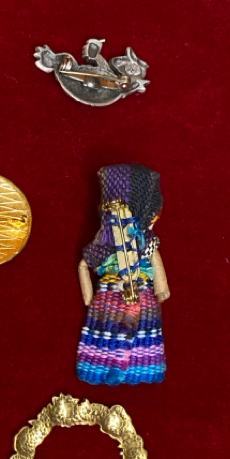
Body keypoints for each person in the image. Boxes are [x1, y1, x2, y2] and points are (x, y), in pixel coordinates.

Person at [77, 164, 169, 386]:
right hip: (109, 297)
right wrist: (88, 297)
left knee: (143, 331)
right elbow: (84, 266)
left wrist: (161, 287)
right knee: (107, 330)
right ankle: (101, 366)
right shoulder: (103, 245)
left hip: (140, 292)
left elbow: (154, 259)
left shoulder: (145, 240)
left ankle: (142, 368)